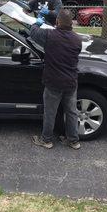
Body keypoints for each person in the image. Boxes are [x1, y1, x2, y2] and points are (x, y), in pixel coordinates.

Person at [30, 9, 82, 150]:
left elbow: (33, 32)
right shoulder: (77, 39)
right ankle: (73, 141)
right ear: (71, 23)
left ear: (57, 21)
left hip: (53, 83)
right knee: (71, 112)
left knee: (50, 112)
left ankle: (46, 140)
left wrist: (37, 22)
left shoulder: (49, 35)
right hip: (71, 83)